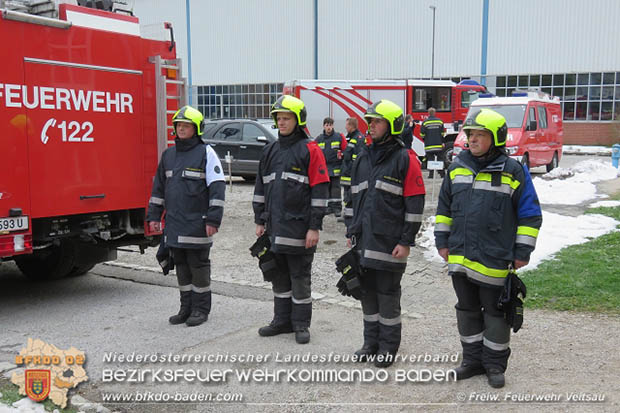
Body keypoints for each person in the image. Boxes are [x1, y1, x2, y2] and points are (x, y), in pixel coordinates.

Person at [434, 108, 542, 388]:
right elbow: (444, 208)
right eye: (470, 134)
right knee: (466, 310)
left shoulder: (513, 171)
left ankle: (494, 365)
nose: (472, 139)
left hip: (495, 258)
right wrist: (442, 241)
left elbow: (530, 214)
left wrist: (522, 252)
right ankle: (472, 361)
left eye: (480, 135)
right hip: (460, 256)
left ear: (496, 138)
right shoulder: (457, 167)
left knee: (495, 314)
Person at [346, 100, 426, 367]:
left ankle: (388, 347)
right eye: (370, 122)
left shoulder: (405, 159)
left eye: (377, 122)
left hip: (391, 242)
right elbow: (354, 198)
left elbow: (415, 204)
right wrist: (351, 230)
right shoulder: (363, 157)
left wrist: (406, 241)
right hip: (364, 240)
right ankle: (371, 343)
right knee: (367, 294)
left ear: (392, 125)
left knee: (387, 296)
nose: (371, 126)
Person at [252, 95, 330, 344]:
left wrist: (314, 227)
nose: (282, 122)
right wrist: (259, 220)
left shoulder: (310, 149)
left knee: (299, 278)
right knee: (279, 276)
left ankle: (301, 325)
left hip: (299, 229)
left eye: (287, 118)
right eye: (279, 118)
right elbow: (260, 188)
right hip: (275, 228)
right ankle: (282, 321)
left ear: (298, 120)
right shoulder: (270, 150)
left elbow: (320, 191)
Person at [147, 105, 226, 327]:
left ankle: (201, 310)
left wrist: (213, 219)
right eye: (179, 125)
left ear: (197, 128)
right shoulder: (169, 155)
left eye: (186, 125)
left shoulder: (206, 153)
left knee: (198, 266)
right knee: (180, 266)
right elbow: (158, 189)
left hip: (198, 224)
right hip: (175, 223)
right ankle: (186, 308)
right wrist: (153, 216)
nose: (181, 129)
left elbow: (217, 188)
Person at [314, 117, 347, 218]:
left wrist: (342, 157)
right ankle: (328, 207)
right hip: (324, 169)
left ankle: (337, 208)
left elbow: (345, 150)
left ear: (333, 126)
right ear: (324, 126)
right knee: (326, 188)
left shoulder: (339, 137)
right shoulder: (319, 139)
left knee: (336, 188)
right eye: (327, 125)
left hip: (336, 167)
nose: (329, 127)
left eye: (330, 125)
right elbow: (314, 152)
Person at [341, 117, 367, 226]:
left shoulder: (358, 138)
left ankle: (351, 220)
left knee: (351, 197)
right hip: (348, 174)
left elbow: (358, 159)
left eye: (347, 125)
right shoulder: (352, 138)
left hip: (351, 175)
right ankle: (347, 216)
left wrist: (350, 170)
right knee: (348, 196)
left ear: (351, 126)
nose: (345, 127)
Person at [420, 107, 446, 178]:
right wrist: (442, 142)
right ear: (435, 113)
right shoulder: (440, 122)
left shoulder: (425, 122)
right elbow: (443, 134)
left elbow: (422, 134)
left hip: (429, 145)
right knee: (440, 159)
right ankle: (442, 174)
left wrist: (426, 139)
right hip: (438, 145)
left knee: (430, 160)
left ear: (428, 113)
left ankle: (431, 175)